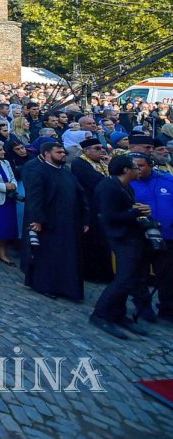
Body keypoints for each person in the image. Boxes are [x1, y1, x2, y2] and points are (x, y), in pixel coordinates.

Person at [88, 155, 152, 339]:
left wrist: (140, 212)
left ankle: (118, 314)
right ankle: (100, 314)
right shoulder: (108, 187)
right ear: (126, 170)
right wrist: (136, 212)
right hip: (119, 238)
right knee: (123, 279)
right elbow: (109, 217)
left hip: (131, 237)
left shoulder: (126, 186)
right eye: (135, 167)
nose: (139, 170)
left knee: (130, 278)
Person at [21, 139, 89, 302]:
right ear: (46, 154)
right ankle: (46, 286)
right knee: (48, 256)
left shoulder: (66, 171)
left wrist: (85, 218)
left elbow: (80, 195)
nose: (63, 154)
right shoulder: (38, 171)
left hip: (69, 222)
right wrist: (37, 220)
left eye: (63, 151)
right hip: (49, 221)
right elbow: (35, 198)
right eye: (58, 152)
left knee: (68, 256)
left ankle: (68, 288)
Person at [127, 151, 172, 323]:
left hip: (167, 235)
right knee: (140, 273)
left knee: (167, 276)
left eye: (140, 166)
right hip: (138, 236)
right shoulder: (126, 183)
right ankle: (142, 305)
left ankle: (168, 308)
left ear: (151, 165)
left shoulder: (167, 180)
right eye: (133, 166)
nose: (136, 169)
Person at [70, 137, 114, 283]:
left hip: (103, 205)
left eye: (102, 148)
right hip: (90, 206)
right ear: (86, 151)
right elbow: (98, 182)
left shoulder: (102, 162)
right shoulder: (80, 163)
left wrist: (109, 165)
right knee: (93, 241)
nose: (102, 150)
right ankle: (93, 274)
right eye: (97, 148)